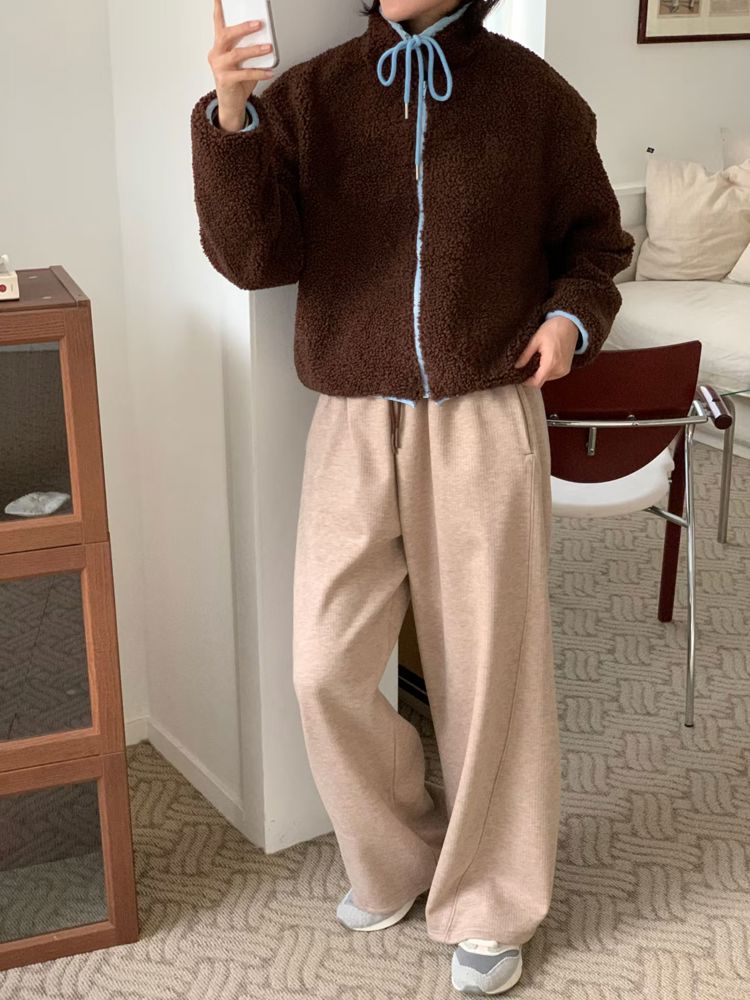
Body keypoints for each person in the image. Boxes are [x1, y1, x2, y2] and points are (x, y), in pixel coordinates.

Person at [190, 0, 635, 993]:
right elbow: (255, 261)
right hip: (353, 416)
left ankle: (493, 898)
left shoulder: (533, 97)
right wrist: (231, 119)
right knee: (324, 665)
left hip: (484, 411)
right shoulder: (312, 96)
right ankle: (398, 854)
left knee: (491, 671)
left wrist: (571, 319)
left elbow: (599, 243)